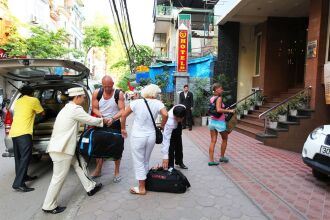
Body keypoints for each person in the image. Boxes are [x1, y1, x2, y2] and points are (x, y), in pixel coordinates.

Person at [42, 87, 106, 214]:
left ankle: (90, 187)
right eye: (83, 97)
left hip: (64, 147)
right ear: (77, 97)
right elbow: (90, 120)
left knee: (80, 164)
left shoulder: (66, 108)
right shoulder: (75, 109)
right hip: (62, 149)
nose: (84, 99)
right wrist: (104, 120)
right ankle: (48, 205)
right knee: (58, 178)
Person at [121, 84, 168, 195]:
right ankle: (146, 183)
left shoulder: (136, 102)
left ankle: (141, 188)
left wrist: (123, 128)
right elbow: (165, 114)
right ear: (154, 93)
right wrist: (162, 125)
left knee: (138, 161)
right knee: (145, 160)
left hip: (138, 136)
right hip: (151, 136)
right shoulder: (158, 103)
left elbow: (123, 116)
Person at [9, 85, 45, 192]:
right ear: (32, 93)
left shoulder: (18, 101)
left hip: (14, 132)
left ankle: (23, 177)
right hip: (24, 133)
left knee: (19, 158)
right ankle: (18, 183)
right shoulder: (33, 100)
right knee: (26, 157)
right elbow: (42, 113)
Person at [90, 76, 125, 183]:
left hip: (114, 123)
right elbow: (94, 108)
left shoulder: (118, 94)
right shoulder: (97, 93)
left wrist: (112, 118)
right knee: (99, 146)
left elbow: (122, 110)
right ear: (102, 84)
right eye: (105, 87)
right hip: (101, 122)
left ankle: (117, 172)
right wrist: (101, 116)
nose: (108, 89)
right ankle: (98, 170)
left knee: (116, 147)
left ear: (113, 83)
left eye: (110, 86)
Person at [208, 83, 234, 166]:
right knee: (225, 139)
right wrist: (229, 111)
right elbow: (219, 110)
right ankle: (222, 157)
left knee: (213, 141)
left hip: (212, 121)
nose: (222, 90)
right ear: (216, 89)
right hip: (219, 122)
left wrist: (224, 109)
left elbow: (215, 109)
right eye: (221, 88)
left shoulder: (212, 98)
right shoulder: (219, 98)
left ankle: (211, 160)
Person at [163, 105, 188, 169]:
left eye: (179, 118)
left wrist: (179, 122)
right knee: (171, 147)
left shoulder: (183, 107)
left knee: (179, 145)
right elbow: (166, 140)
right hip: (170, 131)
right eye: (176, 118)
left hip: (178, 127)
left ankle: (179, 162)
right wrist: (165, 156)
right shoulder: (170, 121)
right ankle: (170, 165)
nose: (177, 119)